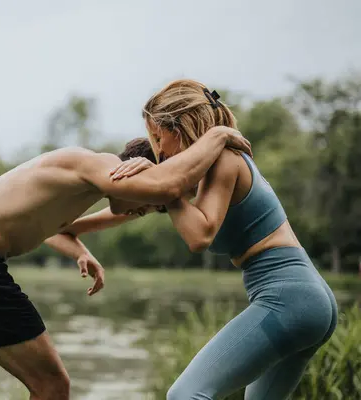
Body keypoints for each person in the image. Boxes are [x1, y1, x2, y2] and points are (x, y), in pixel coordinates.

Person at [0, 126, 251, 400]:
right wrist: (218, 135)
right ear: (133, 171)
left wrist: (80, 252)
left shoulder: (83, 190)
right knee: (52, 387)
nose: (145, 210)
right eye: (148, 201)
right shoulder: (97, 163)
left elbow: (59, 229)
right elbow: (168, 184)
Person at [58, 79, 338, 400]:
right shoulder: (205, 176)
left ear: (180, 127)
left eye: (159, 137)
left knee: (185, 395)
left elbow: (199, 236)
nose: (159, 150)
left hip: (290, 299)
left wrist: (167, 188)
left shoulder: (225, 161)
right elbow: (128, 210)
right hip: (310, 299)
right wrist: (69, 227)